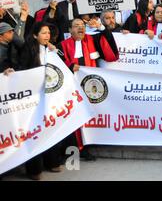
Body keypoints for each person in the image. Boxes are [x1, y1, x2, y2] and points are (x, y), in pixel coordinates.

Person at [57, 18, 119, 160]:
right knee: (74, 119)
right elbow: (57, 64)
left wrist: (102, 27)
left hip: (91, 87)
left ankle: (86, 147)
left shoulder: (93, 40)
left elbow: (111, 53)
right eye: (76, 25)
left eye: (82, 25)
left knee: (88, 117)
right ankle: (75, 150)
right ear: (70, 30)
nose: (81, 28)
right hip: (71, 89)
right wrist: (69, 65)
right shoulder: (62, 45)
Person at [18, 22, 61, 180]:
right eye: (43, 33)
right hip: (33, 97)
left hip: (49, 97)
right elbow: (22, 70)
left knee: (49, 128)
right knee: (34, 131)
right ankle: (34, 169)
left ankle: (52, 162)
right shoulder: (28, 49)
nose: (47, 36)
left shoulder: (51, 49)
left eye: (48, 33)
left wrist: (54, 51)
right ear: (35, 35)